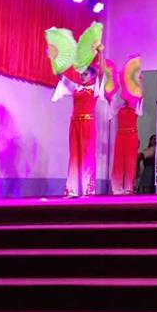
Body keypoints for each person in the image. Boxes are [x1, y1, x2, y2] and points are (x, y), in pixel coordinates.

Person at [51, 43, 105, 198]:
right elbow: (60, 76)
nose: (83, 76)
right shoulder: (75, 87)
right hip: (75, 124)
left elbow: (102, 73)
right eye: (82, 74)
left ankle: (88, 190)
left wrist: (100, 53)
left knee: (87, 155)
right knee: (74, 155)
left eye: (86, 74)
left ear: (92, 76)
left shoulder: (94, 89)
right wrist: (54, 58)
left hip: (88, 124)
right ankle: (72, 189)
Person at [110, 94, 142, 195]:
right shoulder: (119, 107)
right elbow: (110, 101)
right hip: (120, 135)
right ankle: (117, 188)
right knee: (118, 161)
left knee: (131, 161)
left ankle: (129, 187)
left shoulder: (136, 107)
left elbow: (141, 96)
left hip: (131, 135)